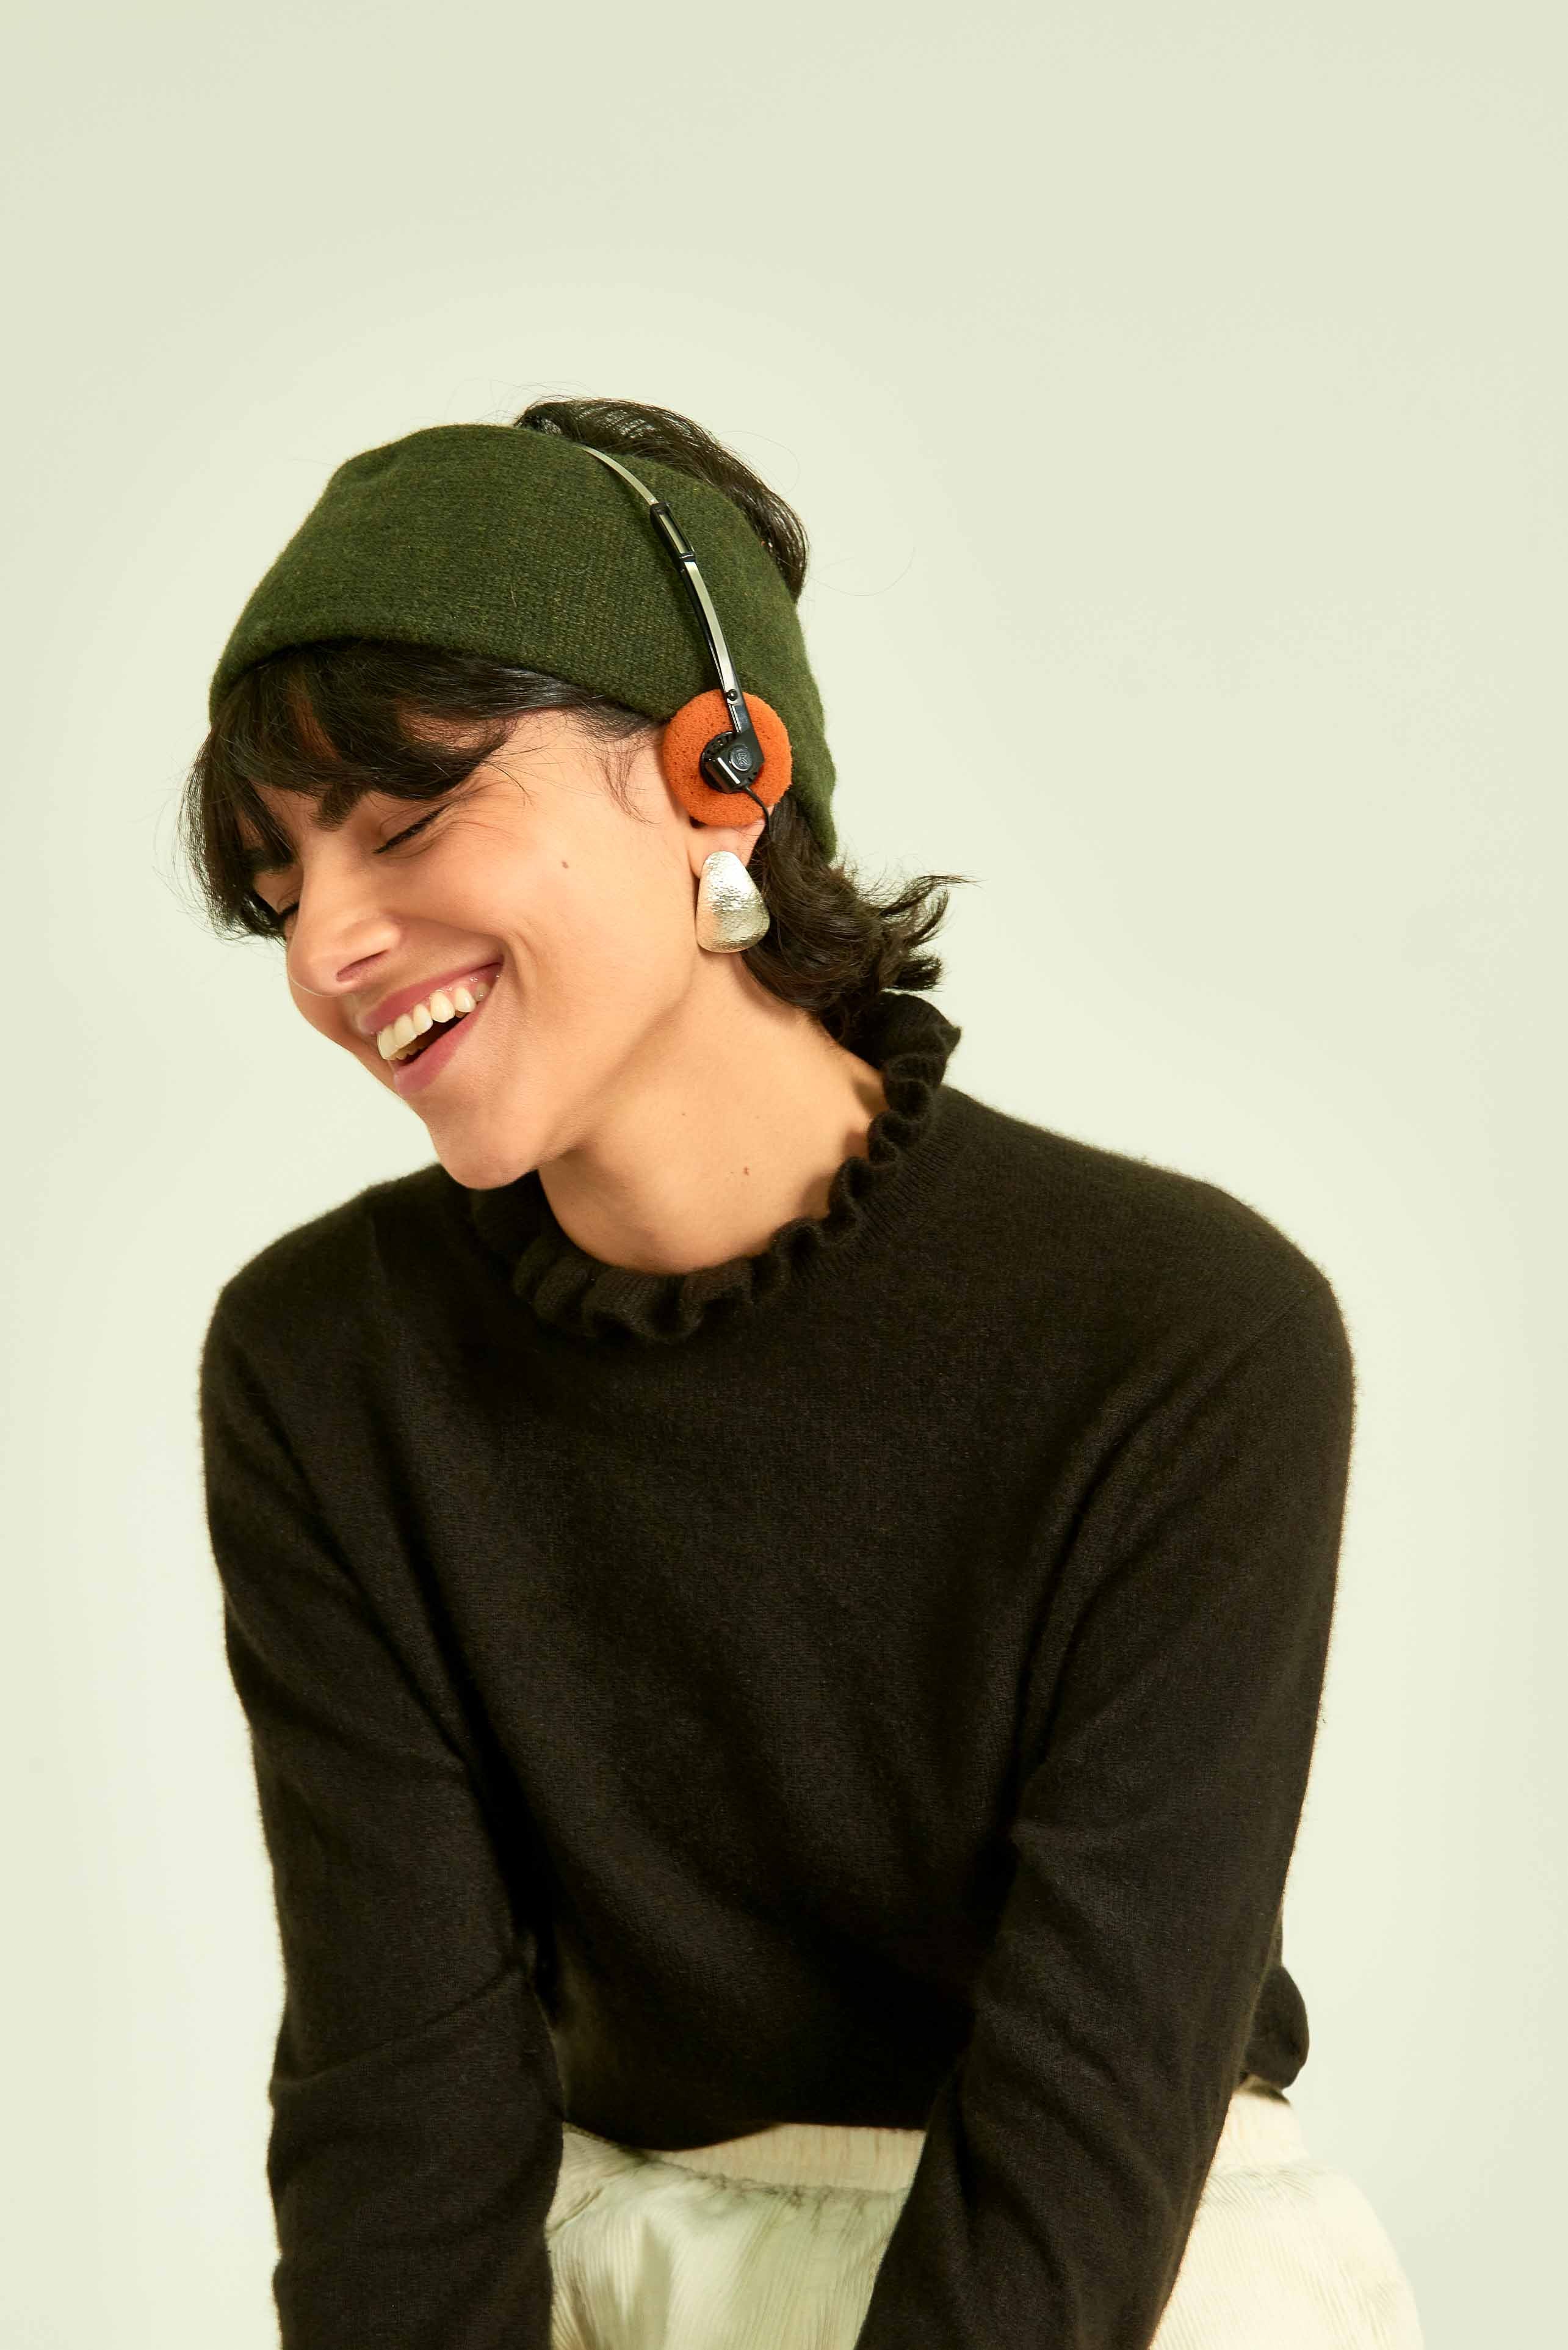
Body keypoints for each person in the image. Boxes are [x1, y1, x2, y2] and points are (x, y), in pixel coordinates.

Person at [185, 394, 1425, 2349]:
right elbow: (399, 2113)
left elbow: (1086, 2123)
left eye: (408, 823)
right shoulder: (323, 1364)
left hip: (1116, 2293)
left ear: (722, 769)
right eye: (279, 886)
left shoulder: (1179, 1334)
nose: (325, 946)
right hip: (619, 2285)